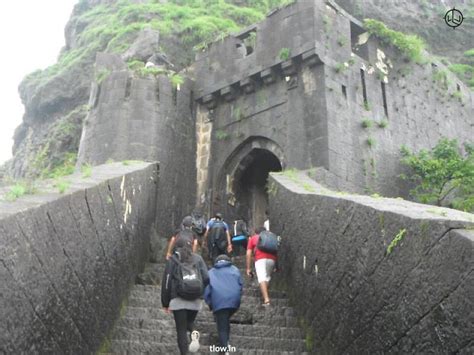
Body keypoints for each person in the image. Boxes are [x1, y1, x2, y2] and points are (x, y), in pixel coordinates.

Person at [162, 238, 209, 354]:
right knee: (189, 322)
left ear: (176, 247)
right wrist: (200, 292)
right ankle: (194, 331)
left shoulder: (172, 260)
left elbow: (167, 282)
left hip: (178, 301)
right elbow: (207, 278)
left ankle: (185, 353)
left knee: (181, 330)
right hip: (195, 300)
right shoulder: (198, 259)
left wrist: (165, 303)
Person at [204, 255, 242, 353]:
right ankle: (225, 344)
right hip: (234, 302)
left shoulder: (211, 272)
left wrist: (210, 305)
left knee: (222, 327)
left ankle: (225, 349)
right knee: (224, 320)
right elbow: (240, 285)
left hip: (219, 302)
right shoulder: (235, 270)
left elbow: (207, 292)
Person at [246, 227, 278, 306]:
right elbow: (276, 250)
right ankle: (264, 295)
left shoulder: (253, 238)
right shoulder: (270, 238)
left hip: (260, 259)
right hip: (272, 259)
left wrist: (248, 268)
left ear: (255, 232)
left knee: (262, 278)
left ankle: (266, 300)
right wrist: (276, 265)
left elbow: (248, 254)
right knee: (266, 278)